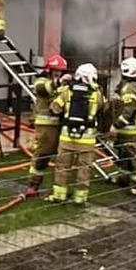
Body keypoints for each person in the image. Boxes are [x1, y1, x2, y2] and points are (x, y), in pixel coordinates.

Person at [48, 63, 104, 205]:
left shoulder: (67, 92)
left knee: (62, 167)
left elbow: (54, 108)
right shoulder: (97, 95)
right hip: (87, 141)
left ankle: (59, 195)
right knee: (84, 168)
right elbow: (105, 109)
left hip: (67, 138)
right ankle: (80, 198)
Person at [25, 53, 69, 198]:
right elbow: (45, 89)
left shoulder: (64, 84)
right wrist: (59, 82)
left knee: (63, 158)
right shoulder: (41, 81)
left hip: (61, 125)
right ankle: (33, 185)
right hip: (46, 127)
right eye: (55, 71)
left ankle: (59, 188)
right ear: (49, 70)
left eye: (60, 71)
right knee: (42, 156)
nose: (58, 73)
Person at [111, 56, 136, 196]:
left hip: (129, 128)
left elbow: (128, 110)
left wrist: (116, 125)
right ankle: (124, 178)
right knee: (124, 155)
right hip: (135, 126)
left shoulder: (130, 88)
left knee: (132, 156)